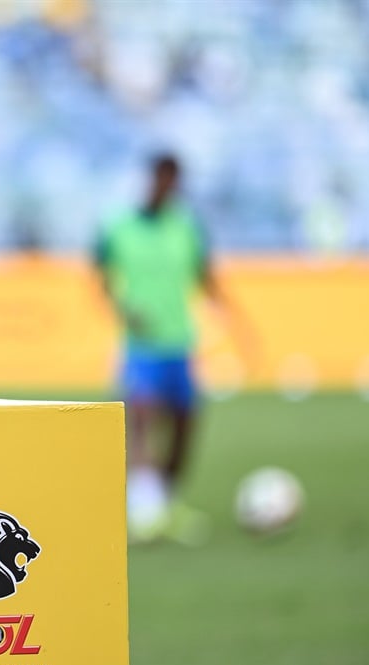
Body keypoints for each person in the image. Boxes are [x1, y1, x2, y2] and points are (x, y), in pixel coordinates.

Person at [94, 153, 239, 544]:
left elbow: (205, 275)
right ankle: (143, 511)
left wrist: (231, 316)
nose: (167, 186)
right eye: (162, 178)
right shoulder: (120, 226)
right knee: (141, 420)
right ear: (151, 178)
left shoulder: (187, 227)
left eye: (173, 180)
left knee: (183, 428)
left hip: (179, 344)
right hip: (142, 346)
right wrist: (123, 310)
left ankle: (165, 504)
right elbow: (101, 273)